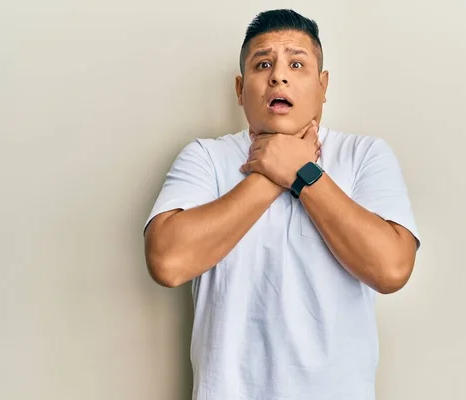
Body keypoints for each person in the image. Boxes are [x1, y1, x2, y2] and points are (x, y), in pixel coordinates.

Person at [143, 8, 421, 400]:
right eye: (263, 64)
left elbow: (392, 268)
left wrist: (303, 174)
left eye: (296, 62)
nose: (278, 75)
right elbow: (167, 263)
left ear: (323, 85)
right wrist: (273, 173)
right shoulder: (205, 157)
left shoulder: (365, 155)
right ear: (240, 89)